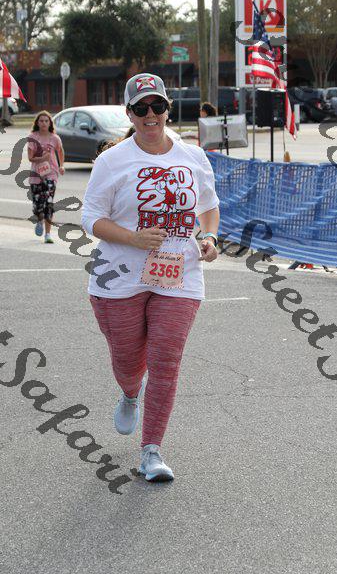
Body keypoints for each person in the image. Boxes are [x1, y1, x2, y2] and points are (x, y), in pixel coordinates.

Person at [82, 73, 220, 483]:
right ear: (129, 114)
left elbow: (209, 206)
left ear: (167, 110)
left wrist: (210, 237)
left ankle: (151, 452)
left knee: (165, 362)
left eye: (157, 106)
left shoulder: (193, 156)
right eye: (141, 108)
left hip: (179, 274)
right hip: (120, 277)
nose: (150, 114)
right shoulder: (112, 161)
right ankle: (129, 394)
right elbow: (91, 218)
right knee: (129, 363)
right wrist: (133, 238)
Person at [27, 111, 65, 243]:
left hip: (51, 173)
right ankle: (39, 219)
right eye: (41, 121)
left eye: (46, 121)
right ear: (37, 123)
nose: (44, 123)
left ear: (50, 123)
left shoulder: (55, 138)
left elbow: (60, 151)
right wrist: (42, 158)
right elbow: (30, 158)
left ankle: (48, 234)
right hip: (36, 175)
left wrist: (61, 165)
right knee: (38, 205)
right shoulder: (32, 137)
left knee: (48, 203)